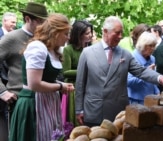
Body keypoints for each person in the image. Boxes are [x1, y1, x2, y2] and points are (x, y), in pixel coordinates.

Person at [75, 16, 163, 127]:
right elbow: (80, 84)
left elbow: (141, 71)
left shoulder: (125, 54)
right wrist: (79, 109)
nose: (120, 37)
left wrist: (159, 78)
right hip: (94, 110)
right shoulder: (87, 53)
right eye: (117, 33)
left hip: (117, 112)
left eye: (121, 33)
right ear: (105, 31)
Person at [9, 13, 74, 141]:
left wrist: (59, 86)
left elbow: (46, 78)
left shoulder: (52, 50)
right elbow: (34, 84)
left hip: (48, 102)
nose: (68, 38)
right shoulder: (37, 47)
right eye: (65, 33)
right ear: (55, 32)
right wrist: (60, 85)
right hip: (34, 104)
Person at [0, 2, 48, 141]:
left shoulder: (43, 39)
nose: (43, 25)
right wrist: (2, 91)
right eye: (40, 21)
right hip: (18, 101)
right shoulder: (11, 38)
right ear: (28, 19)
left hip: (42, 101)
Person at [62, 20, 93, 126]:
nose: (91, 35)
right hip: (73, 89)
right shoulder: (68, 49)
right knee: (75, 123)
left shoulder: (91, 49)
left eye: (90, 32)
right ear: (78, 35)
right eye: (87, 33)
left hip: (89, 89)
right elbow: (66, 72)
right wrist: (86, 70)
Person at [127, 32, 160, 104]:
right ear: (143, 45)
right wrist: (146, 74)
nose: (153, 48)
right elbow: (128, 82)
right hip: (135, 100)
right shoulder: (131, 57)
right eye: (150, 46)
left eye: (154, 46)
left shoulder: (152, 58)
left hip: (150, 99)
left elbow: (153, 80)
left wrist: (157, 91)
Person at [0, 12, 17, 86]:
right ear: (4, 21)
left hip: (13, 78)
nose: (15, 25)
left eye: (15, 23)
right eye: (12, 22)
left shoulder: (16, 35)